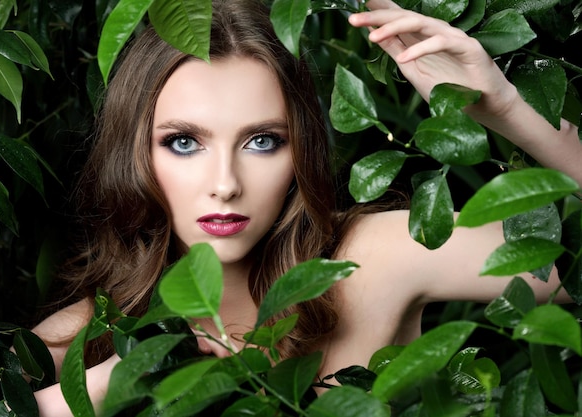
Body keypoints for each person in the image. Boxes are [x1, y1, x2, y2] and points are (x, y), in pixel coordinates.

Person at [31, 0, 581, 415]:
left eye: (262, 141)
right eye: (183, 142)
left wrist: (508, 109)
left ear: (302, 150)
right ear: (135, 154)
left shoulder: (374, 259)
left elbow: (572, 269)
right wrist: (101, 389)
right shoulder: (86, 335)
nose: (225, 184)